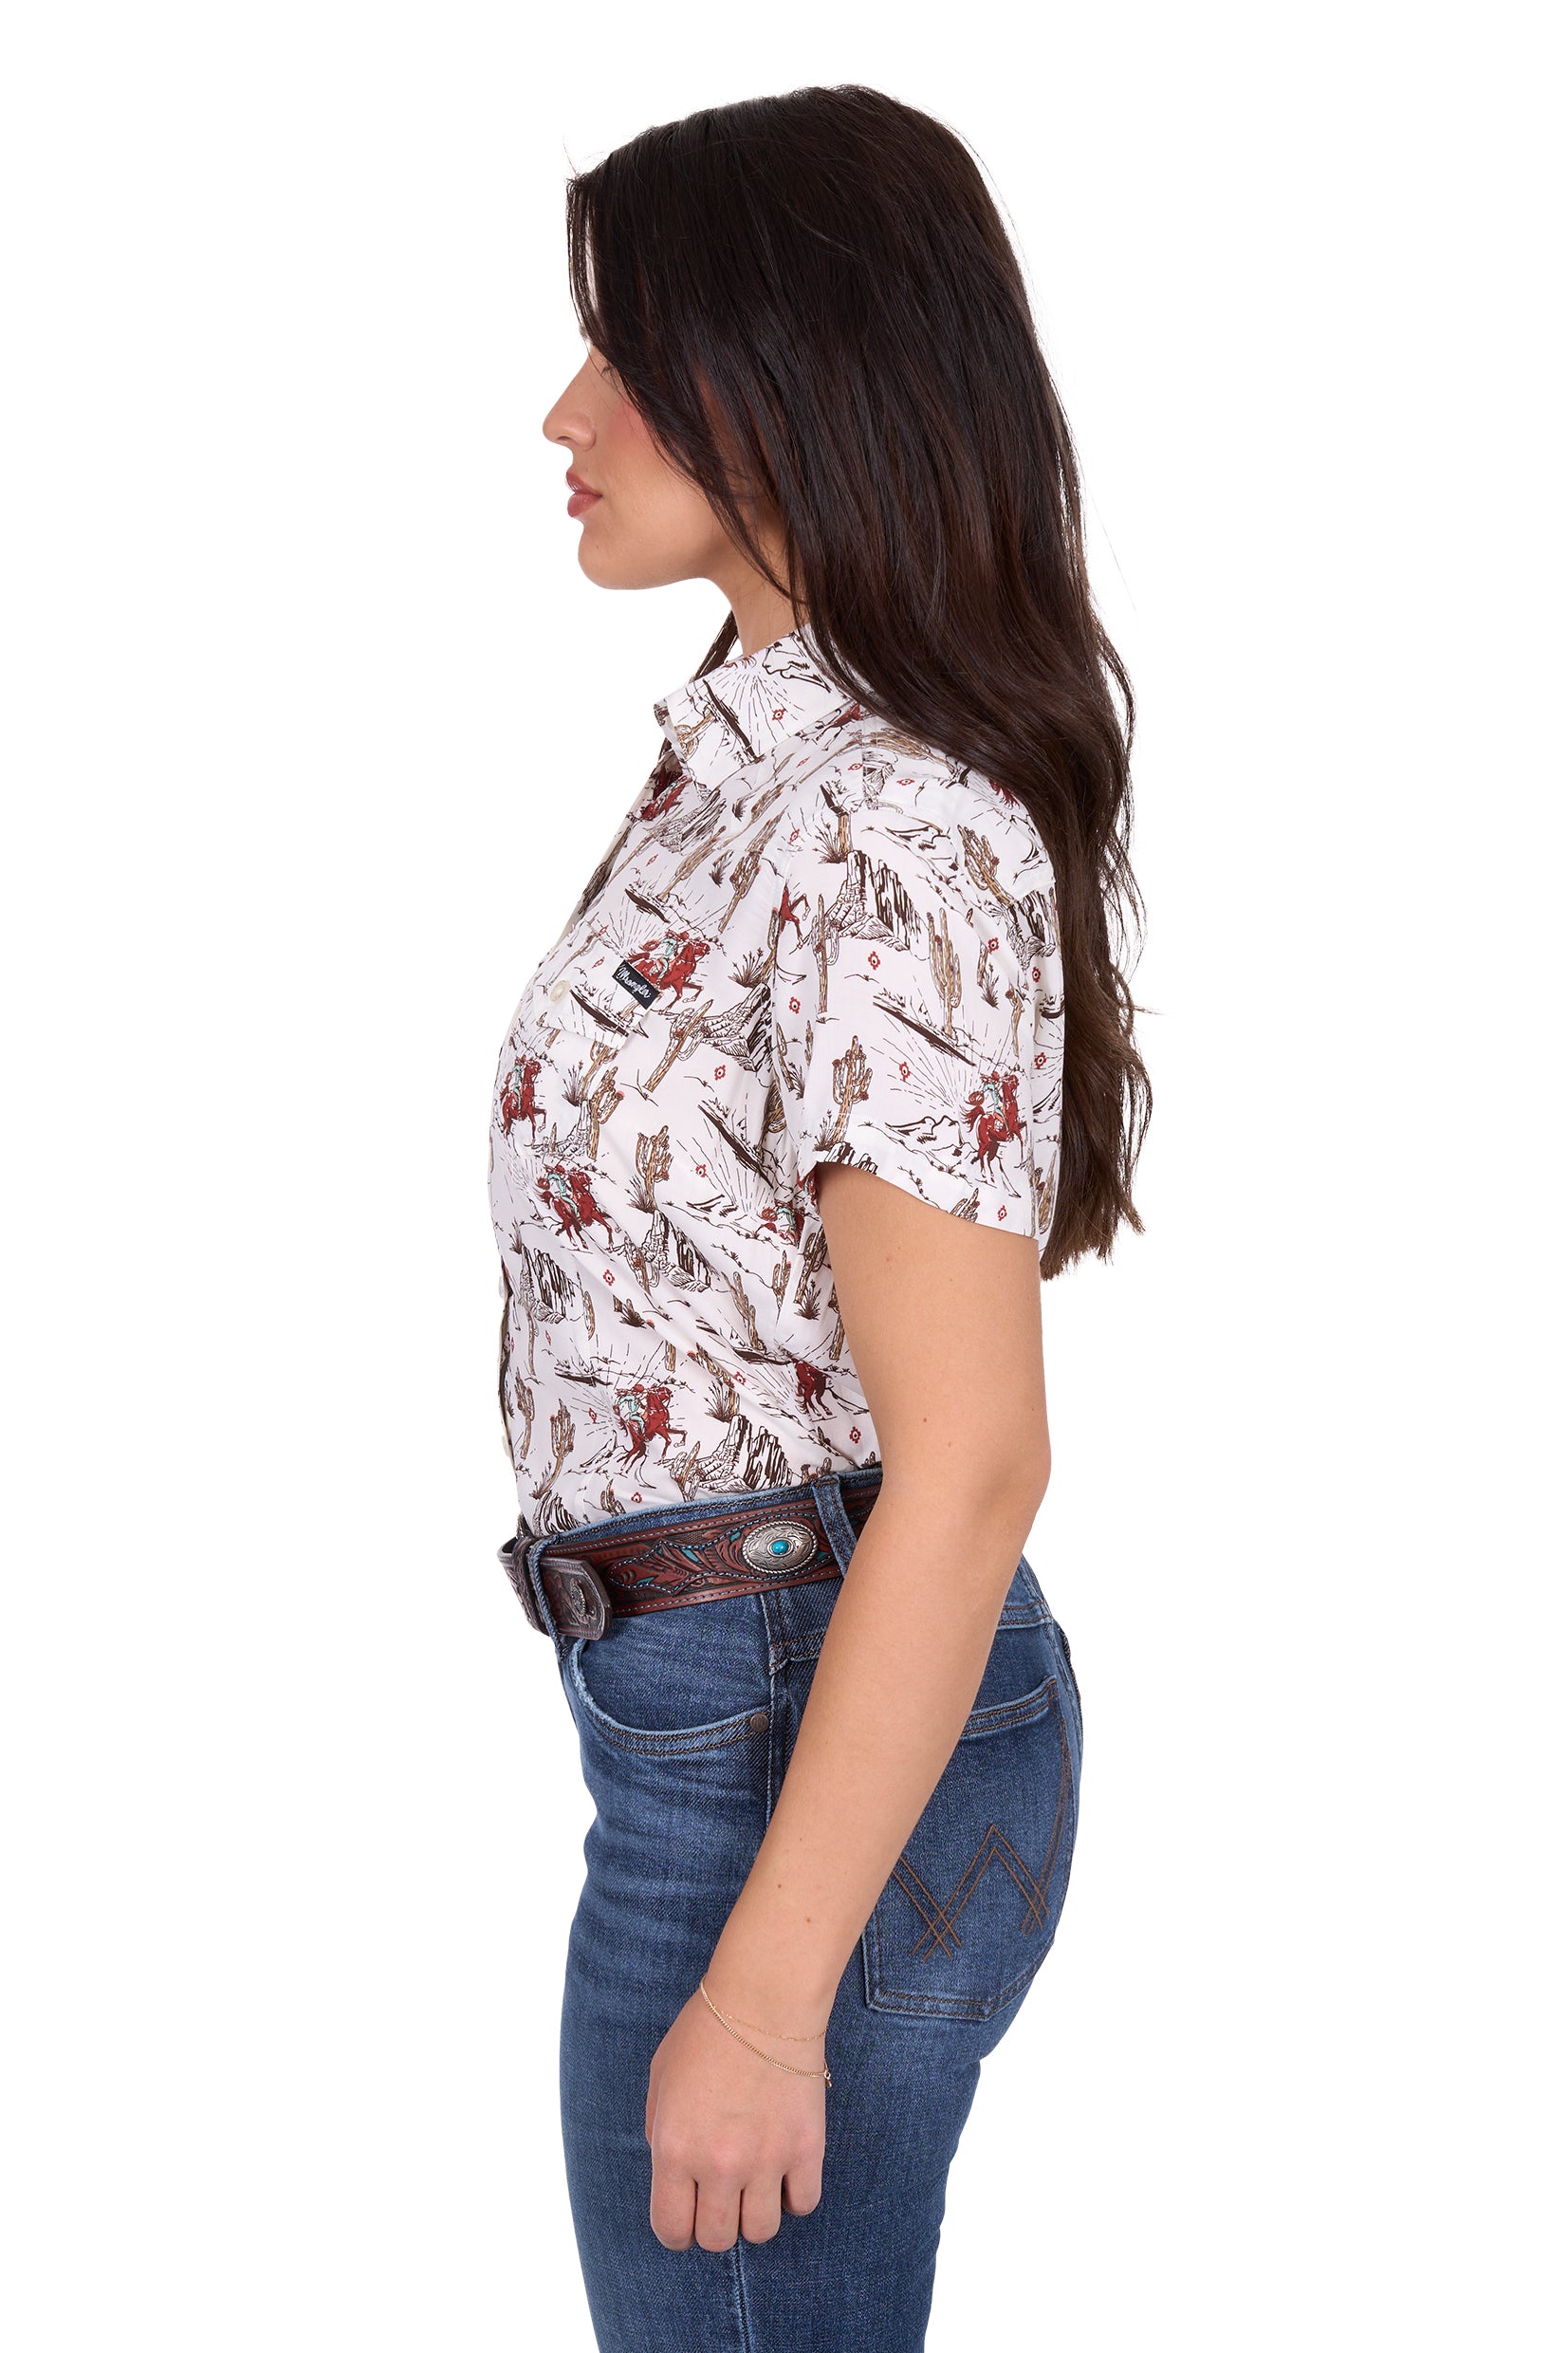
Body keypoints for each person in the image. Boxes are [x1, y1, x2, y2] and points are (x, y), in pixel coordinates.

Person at [490, 83, 1149, 2353]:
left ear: (792, 371)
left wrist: (769, 2000)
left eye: (628, 349)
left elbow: (971, 1466)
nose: (562, 413)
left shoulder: (885, 822)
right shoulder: (754, 767)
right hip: (710, 1718)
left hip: (790, 1740)